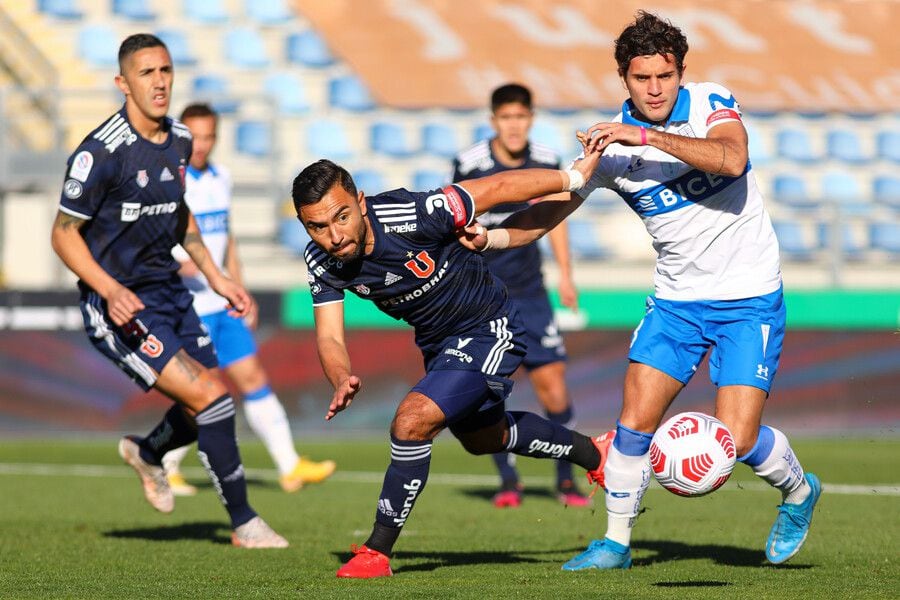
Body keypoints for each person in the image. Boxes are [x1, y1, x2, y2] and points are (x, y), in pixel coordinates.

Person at [476, 11, 822, 570]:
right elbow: (549, 213)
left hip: (749, 296)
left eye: (666, 76)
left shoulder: (710, 103)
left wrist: (641, 134)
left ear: (681, 73)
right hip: (676, 303)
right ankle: (614, 544)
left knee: (734, 440)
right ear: (624, 79)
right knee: (634, 419)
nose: (655, 89)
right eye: (642, 79)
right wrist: (489, 237)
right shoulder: (609, 149)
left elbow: (731, 160)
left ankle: (800, 492)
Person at [292, 154, 612, 579]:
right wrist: (339, 376)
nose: (333, 235)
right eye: (317, 226)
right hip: (439, 346)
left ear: (361, 202)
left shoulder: (412, 214)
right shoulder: (321, 261)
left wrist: (571, 177)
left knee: (411, 421)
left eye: (341, 217)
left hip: (489, 327)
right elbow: (330, 337)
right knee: (484, 439)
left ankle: (376, 551)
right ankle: (595, 452)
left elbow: (495, 189)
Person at [50, 33, 287, 548]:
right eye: (145, 73)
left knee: (202, 402)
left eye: (165, 70)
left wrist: (219, 277)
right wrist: (109, 289)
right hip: (119, 303)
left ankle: (149, 453)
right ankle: (246, 523)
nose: (159, 82)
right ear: (123, 83)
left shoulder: (179, 140)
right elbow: (63, 235)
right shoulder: (100, 154)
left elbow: (180, 216)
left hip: (171, 292)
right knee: (212, 397)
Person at [161, 103, 336, 495]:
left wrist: (240, 290)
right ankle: (164, 463)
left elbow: (228, 239)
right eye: (194, 136)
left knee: (253, 378)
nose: (201, 145)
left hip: (221, 303)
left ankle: (290, 467)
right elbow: (149, 246)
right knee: (201, 391)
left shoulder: (220, 177)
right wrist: (181, 266)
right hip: (188, 307)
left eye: (209, 136)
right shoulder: (167, 181)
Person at [452, 83, 588, 508]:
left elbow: (557, 218)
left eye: (521, 117)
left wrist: (566, 275)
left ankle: (566, 480)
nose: (514, 126)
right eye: (506, 118)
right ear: (494, 121)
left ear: (531, 119)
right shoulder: (469, 163)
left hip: (530, 291)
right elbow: (454, 222)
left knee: (554, 387)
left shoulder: (547, 161)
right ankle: (508, 481)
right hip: (483, 295)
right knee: (488, 389)